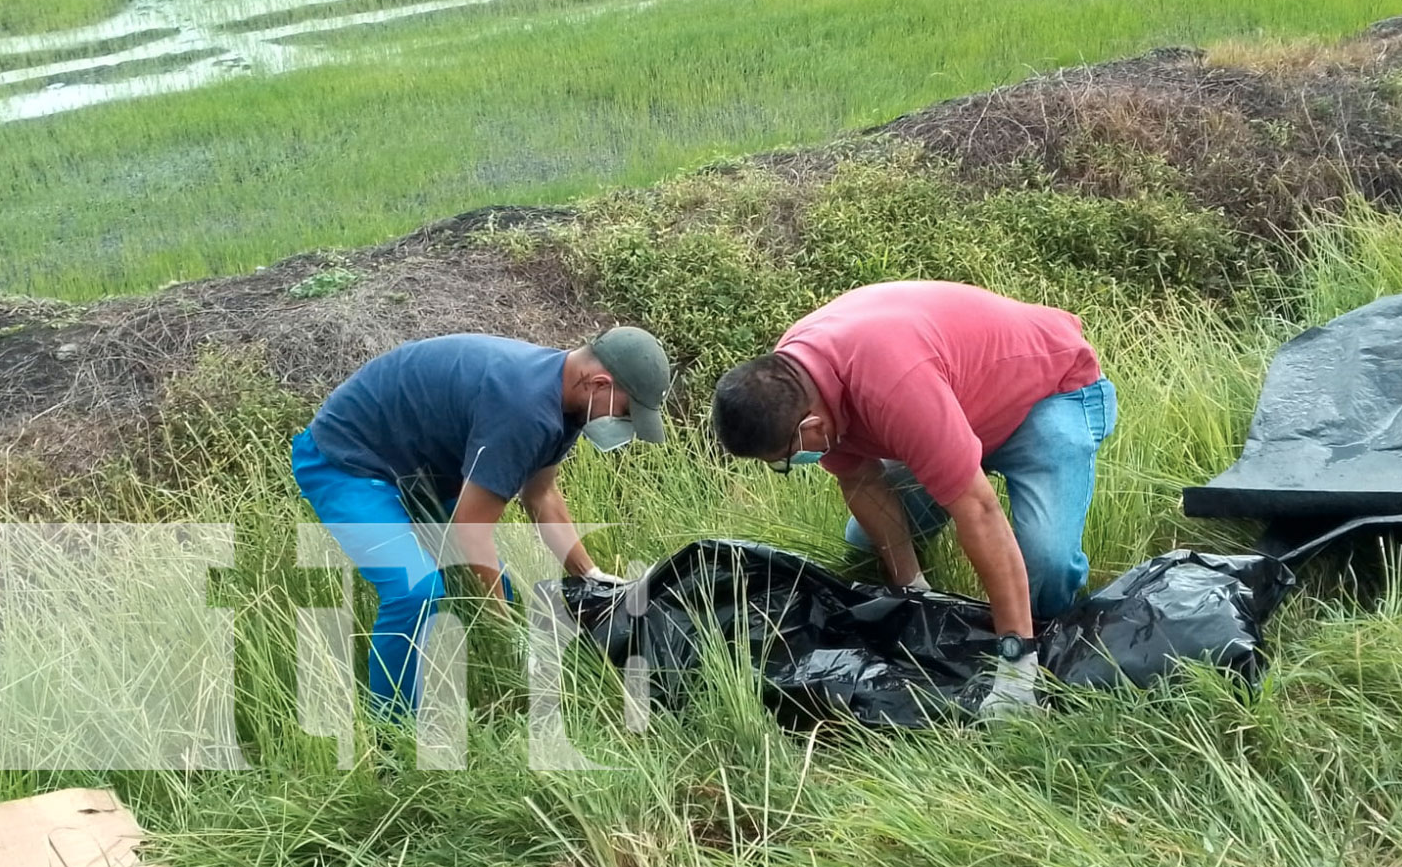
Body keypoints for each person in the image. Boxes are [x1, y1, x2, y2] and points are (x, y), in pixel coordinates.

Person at [710, 280, 1117, 715]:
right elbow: (860, 480)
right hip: (956, 409)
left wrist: (1014, 666)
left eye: (785, 459)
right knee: (867, 547)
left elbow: (977, 510)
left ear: (811, 428)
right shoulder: (791, 378)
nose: (794, 462)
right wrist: (911, 586)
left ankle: (1047, 656)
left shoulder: (891, 385)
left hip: (1050, 395)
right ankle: (976, 614)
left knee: (1045, 562)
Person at [291, 327, 671, 719]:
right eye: (626, 413)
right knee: (416, 591)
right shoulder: (524, 408)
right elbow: (471, 529)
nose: (622, 423)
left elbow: (540, 495)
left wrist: (590, 573)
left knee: (492, 583)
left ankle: (463, 680)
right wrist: (510, 635)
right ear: (599, 383)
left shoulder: (568, 400)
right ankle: (392, 734)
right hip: (347, 461)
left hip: (417, 468)